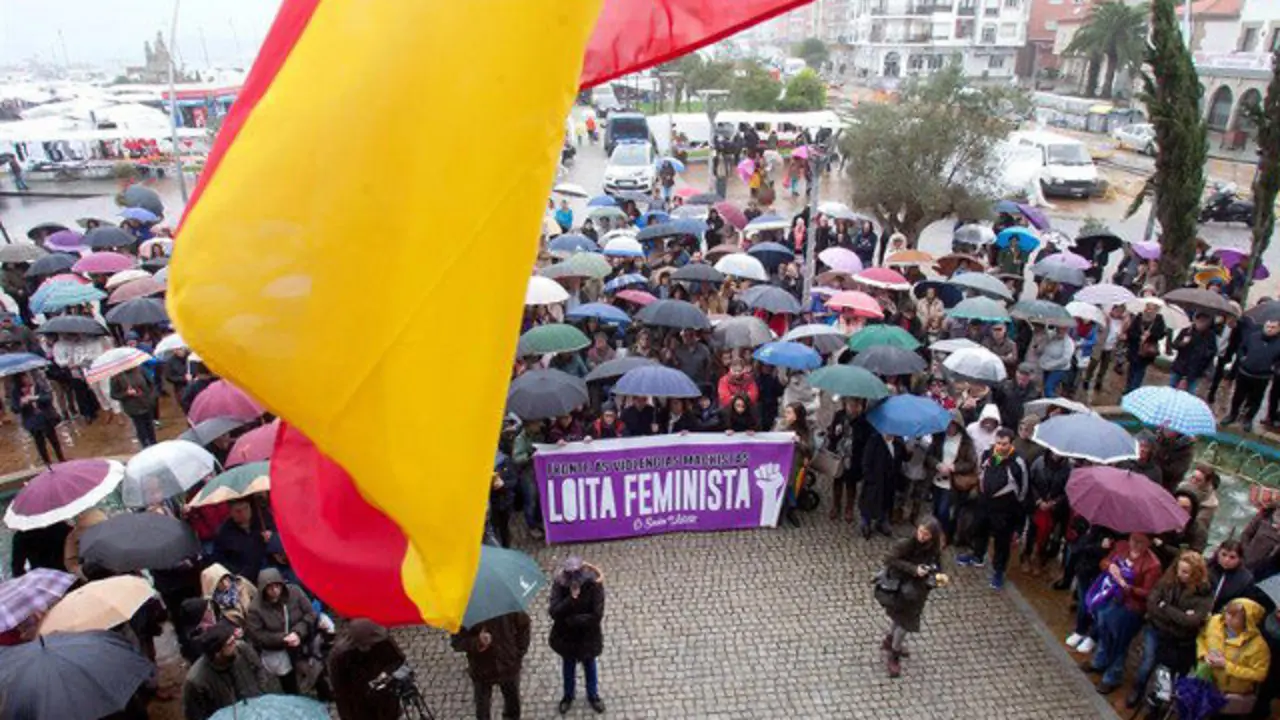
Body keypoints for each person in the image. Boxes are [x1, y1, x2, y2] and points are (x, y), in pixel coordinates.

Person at [1125, 551, 1212, 708]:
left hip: (1177, 638)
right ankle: (1138, 690)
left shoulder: (1203, 593)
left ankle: (1155, 704)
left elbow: (1191, 621)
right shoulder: (1167, 581)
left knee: (1166, 674)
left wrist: (1166, 607)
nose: (1180, 575)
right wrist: (1178, 615)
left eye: (1186, 572)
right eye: (1179, 570)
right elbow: (1152, 603)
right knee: (1147, 662)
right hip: (1156, 629)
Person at [1085, 532, 1163, 694]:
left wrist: (1127, 586)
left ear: (1149, 543)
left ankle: (1113, 675)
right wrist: (1109, 566)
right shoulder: (1121, 547)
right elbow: (1104, 562)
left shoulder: (1153, 565)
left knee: (1120, 642)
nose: (1135, 545)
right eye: (1133, 540)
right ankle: (1100, 661)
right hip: (1109, 598)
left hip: (1130, 607)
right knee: (1103, 631)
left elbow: (1148, 593)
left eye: (1141, 542)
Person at [874, 517, 946, 679]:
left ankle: (890, 640)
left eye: (926, 534)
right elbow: (890, 559)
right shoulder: (906, 544)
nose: (921, 536)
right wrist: (914, 569)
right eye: (920, 531)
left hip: (918, 592)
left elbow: (938, 565)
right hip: (902, 589)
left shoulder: (934, 549)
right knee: (904, 623)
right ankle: (894, 653)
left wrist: (937, 576)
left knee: (900, 619)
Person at [956, 428, 1027, 590]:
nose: (1001, 447)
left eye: (1005, 444)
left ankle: (999, 571)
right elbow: (981, 473)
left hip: (1004, 509)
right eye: (999, 443)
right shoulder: (988, 455)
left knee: (1002, 542)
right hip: (984, 503)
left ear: (1011, 443)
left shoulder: (1018, 463)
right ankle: (977, 555)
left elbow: (1022, 492)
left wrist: (1019, 521)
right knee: (979, 530)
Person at [182, 620, 280, 720]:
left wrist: (261, 692)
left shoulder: (242, 649)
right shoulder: (197, 680)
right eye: (230, 643)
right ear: (217, 652)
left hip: (254, 711)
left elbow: (259, 669)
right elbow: (195, 715)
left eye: (234, 639)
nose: (235, 644)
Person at [245, 567, 319, 695]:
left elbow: (310, 614)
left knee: (314, 670)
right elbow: (257, 635)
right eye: (270, 588)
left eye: (277, 586)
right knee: (288, 680)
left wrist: (298, 632)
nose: (275, 590)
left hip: (302, 640)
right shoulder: (255, 608)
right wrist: (282, 638)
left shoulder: (294, 592)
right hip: (279, 648)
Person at [550, 556, 606, 715]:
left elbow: (597, 614)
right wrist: (570, 599)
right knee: (568, 666)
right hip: (567, 637)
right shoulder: (559, 585)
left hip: (588, 635)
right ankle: (568, 696)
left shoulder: (594, 586)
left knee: (590, 665)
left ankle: (593, 695)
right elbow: (554, 611)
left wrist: (573, 621)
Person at [1197, 599, 1272, 715]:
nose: (1228, 618)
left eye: (1235, 617)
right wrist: (1203, 655)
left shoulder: (1259, 647)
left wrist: (1227, 665)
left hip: (1230, 696)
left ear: (1248, 621)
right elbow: (1202, 637)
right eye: (1228, 613)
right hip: (1206, 685)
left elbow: (1259, 674)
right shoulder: (1214, 622)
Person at [452, 611, 532, 720]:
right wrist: (477, 642)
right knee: (482, 710)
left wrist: (518, 654)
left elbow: (524, 626)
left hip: (509, 666)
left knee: (513, 705)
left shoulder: (508, 603)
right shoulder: (465, 610)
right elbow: (457, 642)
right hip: (481, 670)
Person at [328, 619, 408, 720]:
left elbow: (398, 660)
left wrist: (384, 676)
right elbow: (341, 693)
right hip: (360, 707)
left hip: (386, 700)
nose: (370, 647)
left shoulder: (381, 640)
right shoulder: (340, 657)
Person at [924, 410, 976, 543]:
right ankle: (934, 535)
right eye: (947, 425)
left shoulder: (965, 442)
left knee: (944, 511)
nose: (949, 428)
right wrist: (937, 465)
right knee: (935, 509)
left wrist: (955, 468)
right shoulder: (939, 438)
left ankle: (944, 536)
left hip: (952, 483)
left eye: (952, 425)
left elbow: (971, 463)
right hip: (937, 479)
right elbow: (929, 456)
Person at [1225, 319, 1280, 433]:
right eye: (1267, 326)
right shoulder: (1253, 336)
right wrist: (1242, 358)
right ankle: (1232, 414)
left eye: (1273, 327)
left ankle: (1248, 419)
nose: (1269, 329)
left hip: (1262, 376)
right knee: (1238, 396)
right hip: (1245, 372)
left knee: (1256, 399)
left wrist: (1274, 368)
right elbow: (1241, 348)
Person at [1022, 450, 1069, 575]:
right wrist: (1038, 500)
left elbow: (1068, 490)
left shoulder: (1068, 468)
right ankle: (1026, 555)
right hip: (1036, 506)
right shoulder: (1039, 462)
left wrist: (1054, 502)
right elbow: (1030, 483)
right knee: (1031, 532)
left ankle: (1039, 557)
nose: (1057, 454)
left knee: (1046, 534)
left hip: (1053, 508)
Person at [827, 397, 871, 523]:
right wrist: (835, 433)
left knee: (851, 484)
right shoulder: (839, 415)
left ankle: (849, 508)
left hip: (854, 457)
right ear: (845, 404)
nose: (853, 408)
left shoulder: (864, 420)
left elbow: (865, 440)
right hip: (839, 454)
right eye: (851, 405)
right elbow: (832, 434)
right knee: (837, 481)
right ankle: (836, 505)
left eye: (857, 405)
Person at [8, 372, 65, 465]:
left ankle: (61, 459)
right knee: (40, 443)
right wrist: (21, 404)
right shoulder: (15, 392)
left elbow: (48, 398)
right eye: (24, 377)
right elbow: (14, 409)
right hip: (32, 421)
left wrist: (35, 398)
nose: (27, 379)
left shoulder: (37, 385)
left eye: (27, 376)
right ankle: (47, 463)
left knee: (54, 440)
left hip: (46, 417)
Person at [213, 499, 270, 582]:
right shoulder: (223, 532)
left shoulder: (262, 520)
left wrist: (271, 539)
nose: (244, 513)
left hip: (267, 572)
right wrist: (237, 573)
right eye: (238, 511)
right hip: (243, 577)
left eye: (246, 508)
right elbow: (219, 560)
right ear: (231, 512)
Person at [859, 430, 902, 540]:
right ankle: (866, 523)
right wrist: (869, 477)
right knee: (869, 502)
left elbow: (901, 459)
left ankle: (881, 521)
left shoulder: (898, 442)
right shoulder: (874, 440)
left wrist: (908, 450)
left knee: (885, 502)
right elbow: (866, 461)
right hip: (875, 479)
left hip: (889, 481)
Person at [1124, 302, 1168, 394]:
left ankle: (1133, 390)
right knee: (1131, 370)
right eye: (1148, 307)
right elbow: (1130, 332)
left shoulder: (1159, 319)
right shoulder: (1139, 317)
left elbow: (1161, 334)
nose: (1149, 310)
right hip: (1135, 349)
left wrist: (1151, 335)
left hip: (1147, 351)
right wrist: (1139, 336)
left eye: (1152, 308)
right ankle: (1128, 389)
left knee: (1140, 371)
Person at [1168, 313, 1218, 392]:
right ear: (1195, 320)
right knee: (1171, 389)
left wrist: (1204, 352)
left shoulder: (1210, 335)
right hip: (1179, 367)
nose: (1202, 324)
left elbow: (1212, 352)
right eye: (1200, 321)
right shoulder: (1187, 330)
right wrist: (1182, 343)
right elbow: (1175, 344)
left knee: (1190, 393)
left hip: (1195, 371)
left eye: (1205, 322)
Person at [110, 365, 158, 447]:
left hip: (146, 403)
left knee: (149, 425)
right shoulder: (116, 376)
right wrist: (126, 394)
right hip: (132, 406)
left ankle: (153, 442)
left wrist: (151, 398)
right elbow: (114, 394)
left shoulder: (141, 369)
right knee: (140, 426)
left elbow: (151, 384)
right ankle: (145, 444)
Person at [200, 562, 257, 627]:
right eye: (220, 581)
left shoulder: (242, 583)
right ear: (213, 585)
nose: (225, 583)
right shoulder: (211, 606)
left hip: (257, 624)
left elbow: (259, 598)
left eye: (225, 578)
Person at [1208, 539, 1255, 613]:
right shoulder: (1207, 567)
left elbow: (1241, 604)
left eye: (1232, 557)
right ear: (1218, 553)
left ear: (1239, 559)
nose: (1226, 560)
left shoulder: (1245, 579)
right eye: (1224, 555)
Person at [1179, 465, 1221, 542]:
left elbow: (1198, 523)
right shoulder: (1183, 486)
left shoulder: (1211, 503)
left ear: (1207, 482)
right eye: (1192, 477)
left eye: (1198, 480)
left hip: (1192, 533)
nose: (1193, 482)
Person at [1241, 503, 1280, 580]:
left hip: (1267, 572)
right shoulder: (1264, 516)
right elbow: (1246, 534)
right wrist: (1245, 552)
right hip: (1247, 560)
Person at [1035, 326, 1075, 398]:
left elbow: (1065, 359)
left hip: (1059, 369)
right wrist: (1039, 346)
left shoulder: (1069, 342)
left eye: (1063, 329)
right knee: (1045, 387)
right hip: (1046, 367)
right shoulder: (1051, 336)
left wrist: (1051, 365)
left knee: (1048, 388)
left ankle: (1054, 406)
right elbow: (1043, 348)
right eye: (1058, 328)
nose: (1060, 331)